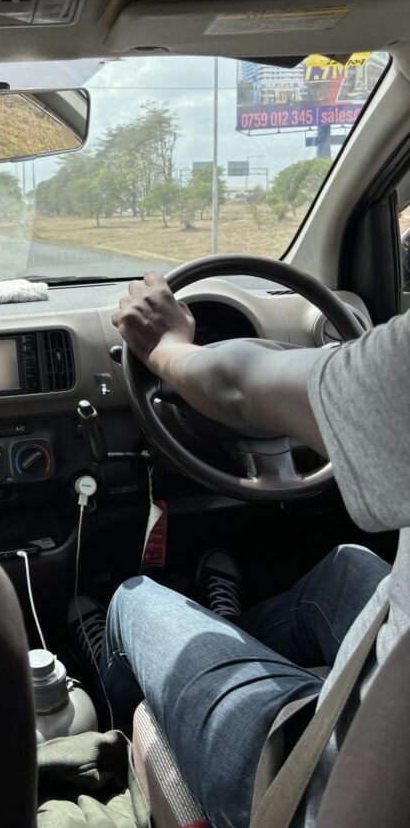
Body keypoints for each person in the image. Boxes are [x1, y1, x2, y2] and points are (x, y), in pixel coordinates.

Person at [77, 272, 410, 828]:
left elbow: (237, 388)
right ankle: (223, 626)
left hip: (315, 783)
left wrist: (166, 347)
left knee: (133, 599)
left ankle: (111, 715)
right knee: (347, 565)